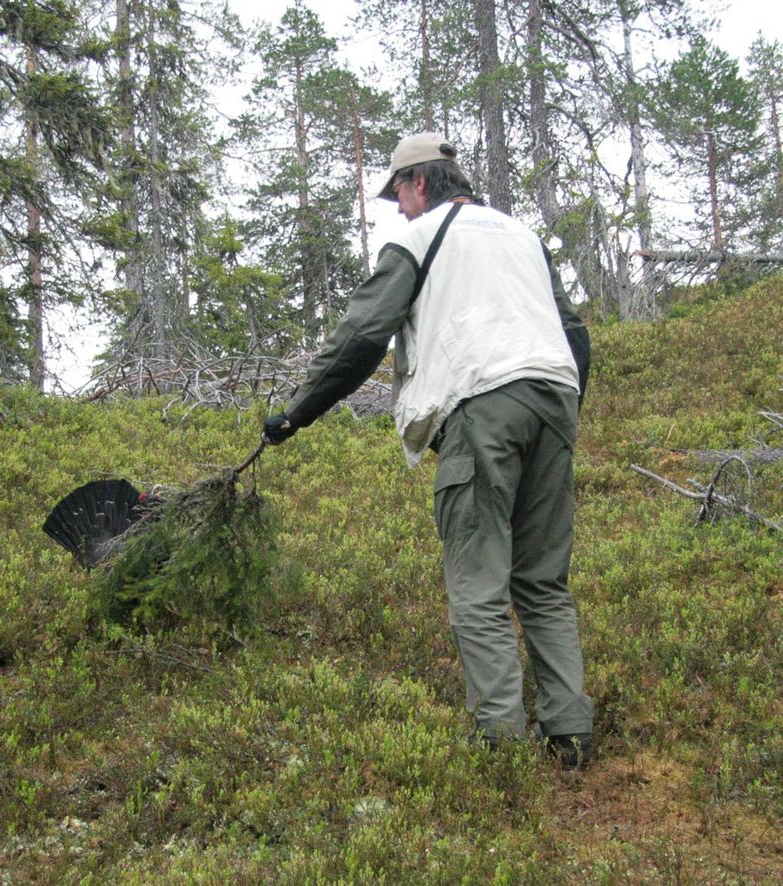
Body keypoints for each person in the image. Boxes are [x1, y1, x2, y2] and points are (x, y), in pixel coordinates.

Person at [261, 132, 595, 769]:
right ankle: (570, 732)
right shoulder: (521, 236)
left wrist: (298, 412)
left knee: (478, 579)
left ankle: (498, 740)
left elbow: (362, 335)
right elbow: (572, 331)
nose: (399, 209)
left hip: (482, 406)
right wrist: (566, 404)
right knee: (544, 580)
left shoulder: (418, 239)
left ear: (418, 183)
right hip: (555, 399)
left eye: (399, 195)